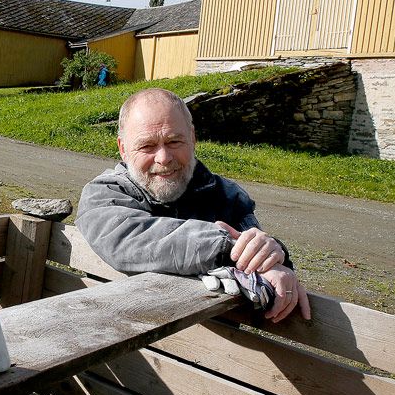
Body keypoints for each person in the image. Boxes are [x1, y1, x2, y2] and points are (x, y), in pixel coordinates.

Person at [76, 88, 311, 323]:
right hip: (121, 334)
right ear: (123, 149)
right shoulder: (103, 195)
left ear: (193, 138)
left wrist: (273, 256)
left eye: (174, 141)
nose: (163, 158)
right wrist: (227, 248)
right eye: (147, 146)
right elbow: (129, 237)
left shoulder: (227, 196)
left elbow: (258, 254)